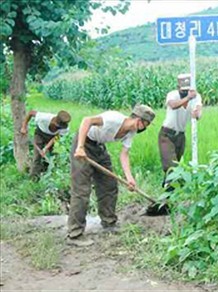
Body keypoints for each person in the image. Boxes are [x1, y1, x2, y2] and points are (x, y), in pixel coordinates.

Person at [66, 105, 155, 247]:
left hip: (99, 147)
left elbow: (124, 155)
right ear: (139, 120)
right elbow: (87, 121)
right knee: (81, 190)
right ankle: (75, 233)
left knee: (109, 184)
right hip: (84, 143)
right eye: (147, 124)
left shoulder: (130, 132)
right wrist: (80, 147)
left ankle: (109, 222)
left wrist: (129, 178)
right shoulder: (113, 119)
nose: (146, 127)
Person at [158, 73, 202, 189]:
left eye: (187, 90)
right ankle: (169, 194)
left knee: (175, 165)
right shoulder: (172, 95)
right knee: (172, 167)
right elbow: (173, 105)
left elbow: (198, 112)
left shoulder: (196, 97)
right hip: (167, 135)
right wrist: (188, 97)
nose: (185, 92)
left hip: (180, 136)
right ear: (178, 88)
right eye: (183, 91)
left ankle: (168, 188)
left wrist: (197, 114)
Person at [21, 110, 71, 179]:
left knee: (50, 157)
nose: (57, 128)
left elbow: (56, 137)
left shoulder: (65, 129)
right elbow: (31, 112)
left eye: (59, 127)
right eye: (57, 126)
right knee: (37, 156)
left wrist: (46, 148)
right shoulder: (44, 117)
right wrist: (24, 126)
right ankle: (33, 177)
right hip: (40, 134)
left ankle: (45, 173)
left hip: (51, 138)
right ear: (53, 121)